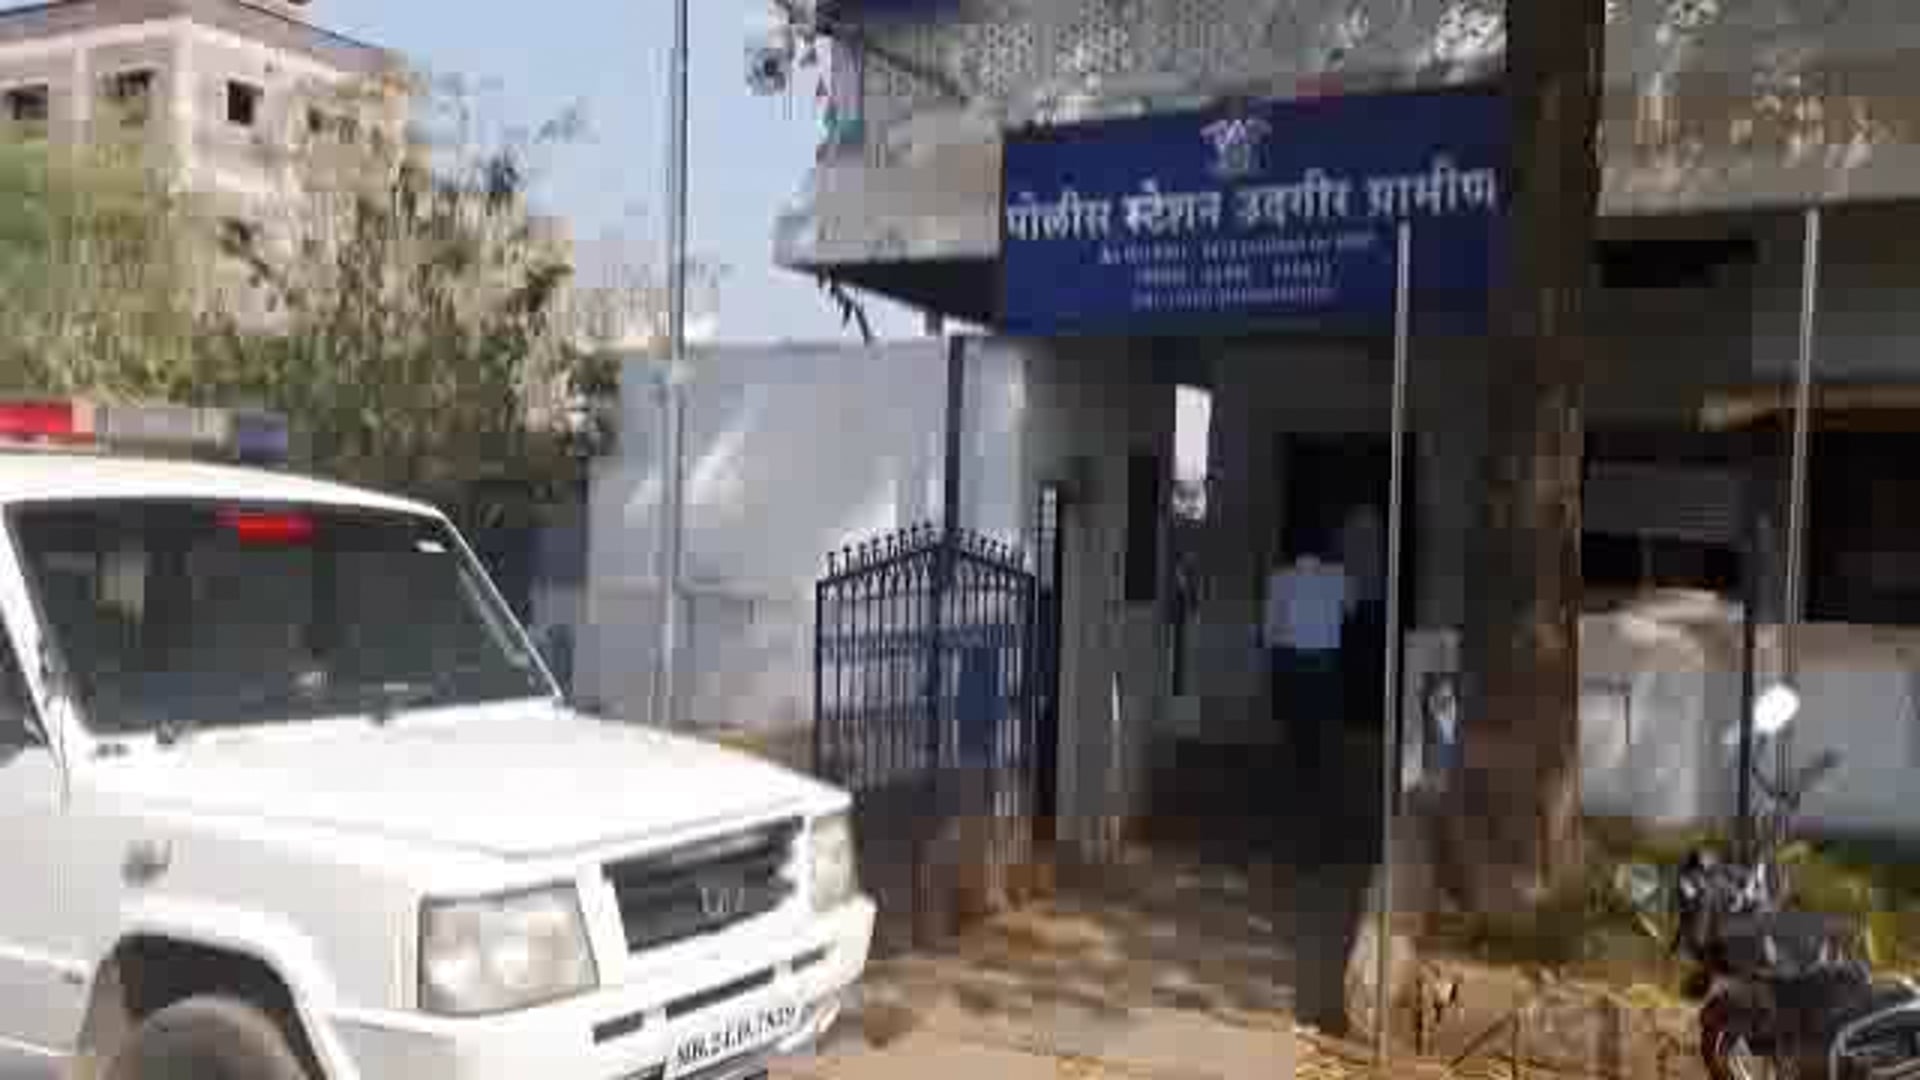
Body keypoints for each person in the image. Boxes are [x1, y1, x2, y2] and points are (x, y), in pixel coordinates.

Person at [1263, 525, 1354, 804]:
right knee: (1320, 717)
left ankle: (1298, 773)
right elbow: (1351, 608)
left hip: (1289, 654)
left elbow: (1270, 621)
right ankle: (1318, 774)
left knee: (1294, 718)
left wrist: (1268, 648)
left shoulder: (1279, 577)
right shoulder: (1337, 575)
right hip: (1325, 654)